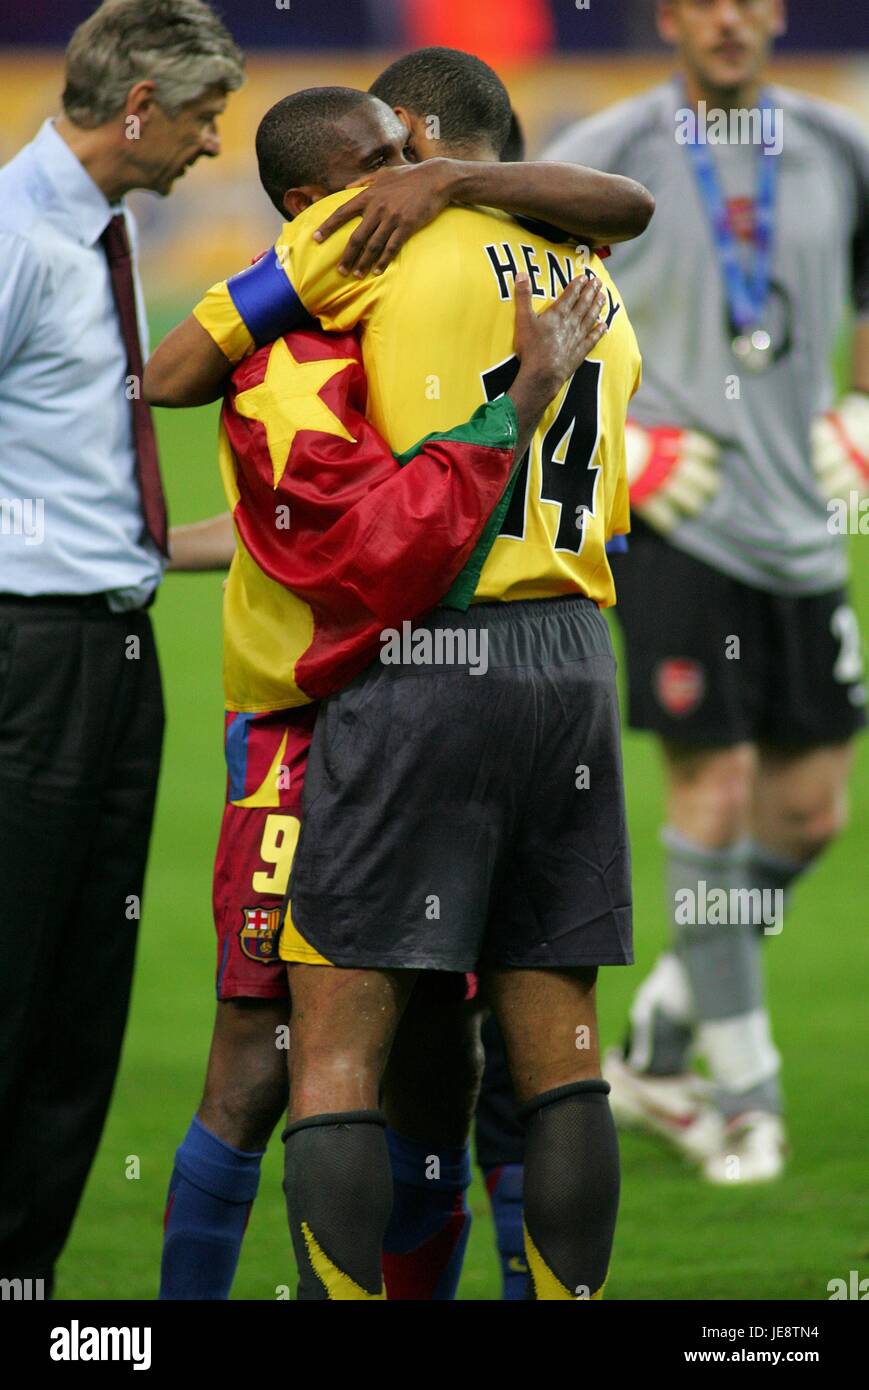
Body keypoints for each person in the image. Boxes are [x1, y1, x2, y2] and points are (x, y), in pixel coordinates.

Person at [149, 51, 653, 1301]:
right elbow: (626, 204)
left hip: (427, 656)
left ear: (413, 142)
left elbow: (170, 374)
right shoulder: (582, 264)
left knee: (327, 1051)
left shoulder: (368, 240)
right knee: (561, 1051)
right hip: (576, 660)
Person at [544, 0, 868, 1183]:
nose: (727, 20)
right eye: (702, 0)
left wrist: (859, 408)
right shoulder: (610, 148)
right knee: (716, 791)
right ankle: (741, 1097)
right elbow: (531, 305)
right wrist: (614, 444)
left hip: (802, 522)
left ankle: (660, 1031)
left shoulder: (839, 146)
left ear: (774, 15)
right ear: (666, 16)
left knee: (807, 816)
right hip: (677, 516)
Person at [0, 0, 243, 1293]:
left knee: (80, 1005)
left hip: (112, 650)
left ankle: (22, 1284)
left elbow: (92, 496)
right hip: (28, 659)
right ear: (141, 107)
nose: (215, 146)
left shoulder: (101, 233)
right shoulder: (12, 233)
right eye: (204, 117)